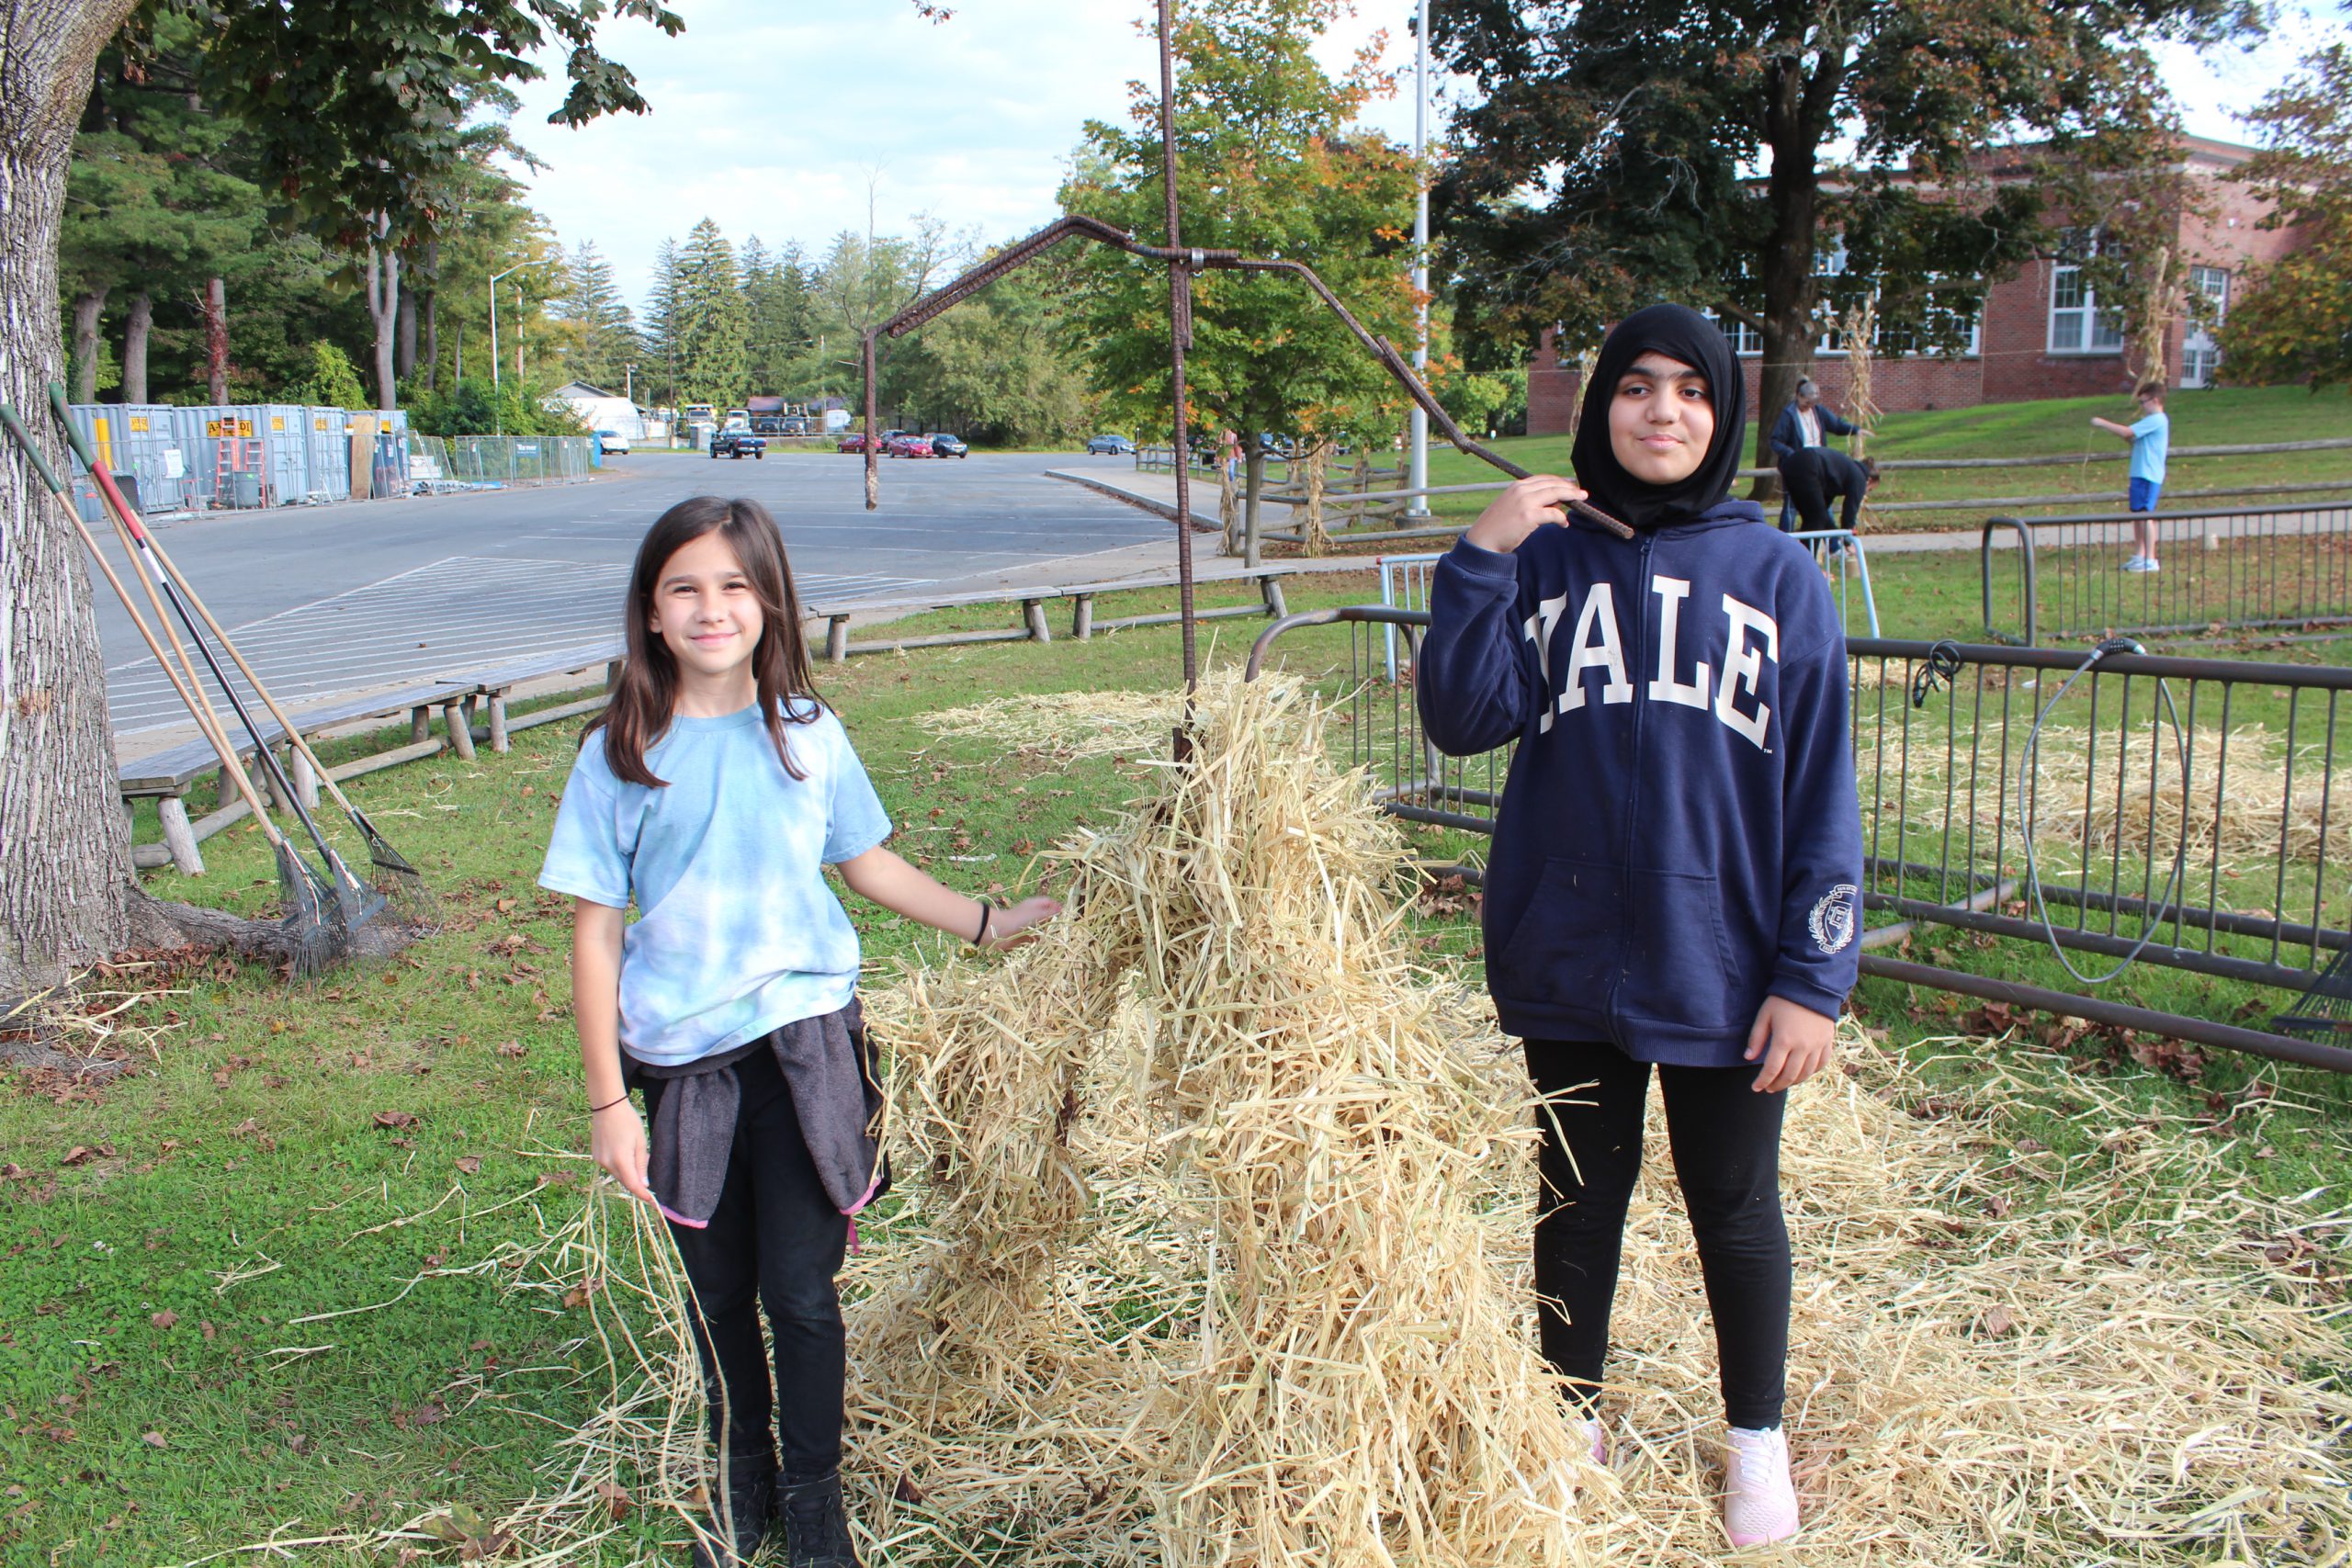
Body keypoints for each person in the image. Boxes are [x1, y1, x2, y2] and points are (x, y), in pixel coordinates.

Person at [1416, 304, 1863, 1550]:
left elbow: (1822, 787)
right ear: (1599, 404)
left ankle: (1755, 1440)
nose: (1662, 411)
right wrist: (1482, 552)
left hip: (1724, 964)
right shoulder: (1549, 555)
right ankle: (1570, 1418)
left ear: (1723, 416)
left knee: (1733, 1199)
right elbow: (1460, 717)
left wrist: (1813, 975)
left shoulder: (1778, 576)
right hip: (1569, 952)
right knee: (1575, 1196)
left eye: (1691, 392)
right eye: (1635, 387)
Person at [540, 496, 1059, 1568]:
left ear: (771, 603)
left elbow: (862, 863)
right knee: (720, 1293)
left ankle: (814, 1498)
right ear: (649, 612)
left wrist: (987, 923)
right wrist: (604, 1104)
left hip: (809, 1047)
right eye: (685, 587)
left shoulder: (810, 737)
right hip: (686, 1068)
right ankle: (745, 1483)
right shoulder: (622, 752)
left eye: (735, 585)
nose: (711, 607)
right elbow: (596, 936)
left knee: (800, 1293)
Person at [2092, 381, 2169, 573]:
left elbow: (2128, 431)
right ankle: (2139, 556)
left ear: (2155, 400)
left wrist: (2102, 423)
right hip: (2139, 473)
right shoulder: (2149, 420)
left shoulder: (2158, 419)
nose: (2142, 407)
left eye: (2144, 402)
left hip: (2148, 475)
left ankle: (2151, 559)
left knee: (2145, 515)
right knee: (2137, 515)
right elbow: (2131, 436)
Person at [1778, 446, 1880, 537]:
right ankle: (1806, 556)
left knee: (1812, 518)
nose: (1866, 493)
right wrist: (1848, 538)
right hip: (1808, 465)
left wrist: (1836, 533)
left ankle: (1804, 554)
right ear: (1869, 480)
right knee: (1817, 518)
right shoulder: (1860, 478)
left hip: (1793, 463)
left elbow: (1824, 512)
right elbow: (1850, 511)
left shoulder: (1843, 471)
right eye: (1869, 489)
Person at [1767, 377, 1860, 466]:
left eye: (1812, 403)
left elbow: (1837, 425)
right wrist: (1792, 455)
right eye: (1806, 403)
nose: (1809, 406)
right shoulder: (1789, 415)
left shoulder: (1819, 411)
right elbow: (1775, 441)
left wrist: (1856, 430)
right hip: (1799, 463)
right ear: (1798, 396)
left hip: (1819, 460)